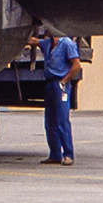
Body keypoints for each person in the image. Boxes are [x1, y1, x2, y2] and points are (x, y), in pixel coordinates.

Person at [37, 25, 81, 165]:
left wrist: (65, 81)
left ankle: (68, 154)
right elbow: (33, 42)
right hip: (50, 84)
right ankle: (55, 154)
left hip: (60, 85)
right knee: (50, 122)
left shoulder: (66, 43)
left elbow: (76, 65)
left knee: (62, 120)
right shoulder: (48, 43)